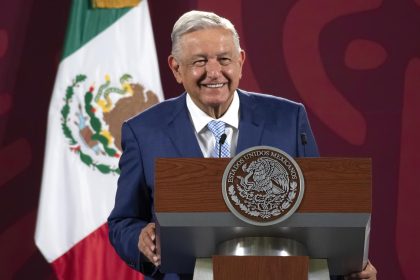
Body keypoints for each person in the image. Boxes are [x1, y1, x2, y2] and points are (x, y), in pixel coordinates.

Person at [108, 10, 377, 280]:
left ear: (240, 61)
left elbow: (319, 213)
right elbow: (122, 221)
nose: (214, 72)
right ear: (176, 68)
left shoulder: (288, 119)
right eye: (200, 61)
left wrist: (347, 271)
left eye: (224, 59)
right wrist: (140, 239)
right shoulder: (144, 131)